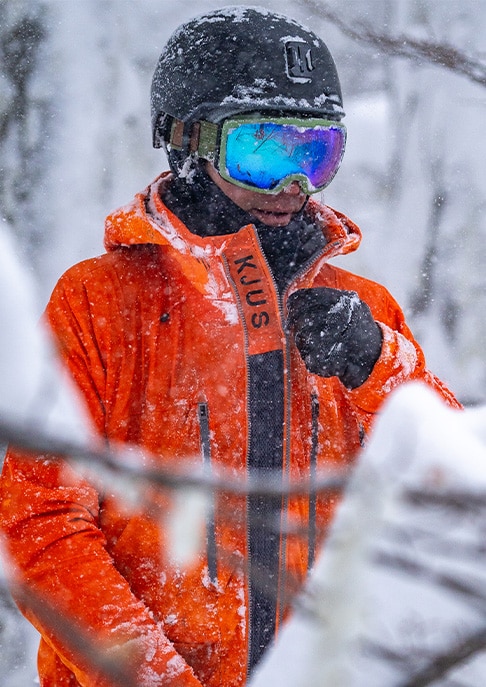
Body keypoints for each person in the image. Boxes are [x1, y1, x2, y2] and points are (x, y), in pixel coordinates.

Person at [0, 6, 461, 687]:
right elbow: (38, 523)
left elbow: (452, 498)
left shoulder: (367, 311)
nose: (292, 187)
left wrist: (379, 365)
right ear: (188, 144)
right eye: (263, 152)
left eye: (316, 154)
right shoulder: (101, 301)